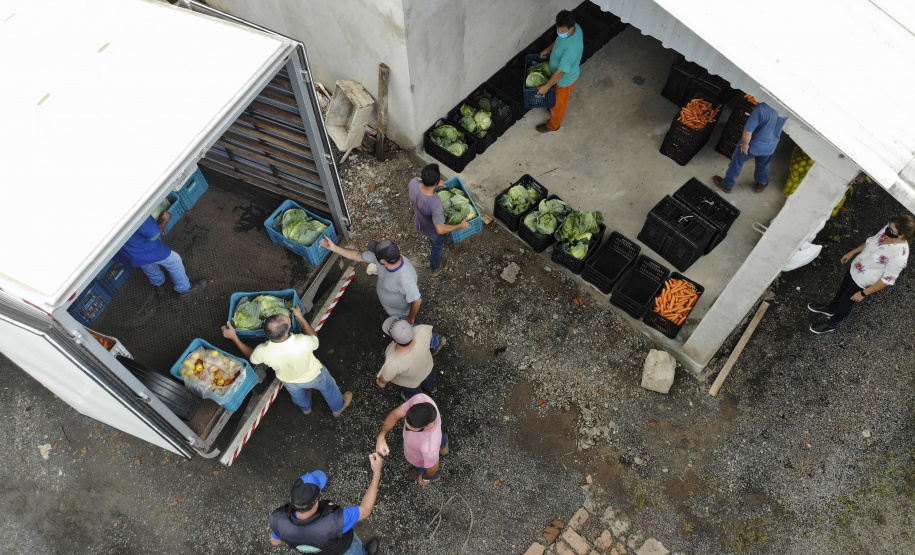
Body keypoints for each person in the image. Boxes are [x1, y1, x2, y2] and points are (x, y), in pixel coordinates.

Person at [319, 236, 446, 353]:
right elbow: (358, 255)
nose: (373, 254)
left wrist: (410, 318)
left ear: (383, 261)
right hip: (391, 308)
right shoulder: (388, 258)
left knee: (408, 330)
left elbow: (417, 301)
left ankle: (435, 341)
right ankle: (391, 316)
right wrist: (333, 247)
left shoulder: (405, 279)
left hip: (401, 313)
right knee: (398, 322)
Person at [221, 306, 353, 417]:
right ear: (286, 332)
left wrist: (234, 337)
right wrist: (300, 317)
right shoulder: (303, 341)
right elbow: (315, 339)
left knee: (298, 395)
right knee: (329, 387)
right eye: (288, 321)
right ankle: (338, 407)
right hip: (314, 376)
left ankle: (306, 408)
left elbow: (252, 357)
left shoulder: (263, 351)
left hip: (289, 381)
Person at [808, 216, 912, 334]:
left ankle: (832, 324)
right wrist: (852, 253)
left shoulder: (900, 256)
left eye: (892, 231)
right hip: (855, 267)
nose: (887, 231)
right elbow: (870, 242)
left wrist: (863, 293)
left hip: (863, 281)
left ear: (903, 235)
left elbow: (887, 280)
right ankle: (830, 309)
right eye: (889, 226)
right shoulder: (888, 230)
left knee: (845, 303)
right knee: (841, 290)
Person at [269, 456, 382, 555]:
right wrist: (376, 472)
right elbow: (365, 509)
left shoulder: (279, 520)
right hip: (346, 550)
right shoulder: (335, 521)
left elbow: (275, 542)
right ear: (317, 499)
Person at [116, 214, 207, 297]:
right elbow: (155, 235)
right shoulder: (133, 211)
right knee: (174, 261)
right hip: (144, 249)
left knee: (146, 264)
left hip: (127, 253)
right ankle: (184, 289)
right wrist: (165, 220)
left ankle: (159, 283)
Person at [408, 163, 470, 277]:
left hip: (419, 222)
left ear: (421, 175)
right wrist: (460, 226)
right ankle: (434, 268)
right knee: (437, 245)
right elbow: (440, 229)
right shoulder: (435, 203)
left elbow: (424, 186)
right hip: (432, 230)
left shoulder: (413, 183)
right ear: (437, 181)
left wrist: (435, 185)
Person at [713, 102, 788, 193]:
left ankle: (727, 185)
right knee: (763, 164)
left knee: (737, 163)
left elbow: (747, 132)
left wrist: (745, 144)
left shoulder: (761, 108)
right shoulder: (787, 108)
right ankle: (762, 183)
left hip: (753, 146)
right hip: (771, 146)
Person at [375, 394, 448, 485]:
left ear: (424, 426)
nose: (405, 421)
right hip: (436, 438)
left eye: (410, 426)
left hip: (421, 460)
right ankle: (444, 446)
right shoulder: (421, 399)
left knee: (428, 468)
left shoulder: (429, 448)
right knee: (441, 438)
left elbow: (433, 467)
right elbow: (395, 414)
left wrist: (425, 478)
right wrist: (381, 436)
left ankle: (435, 477)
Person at [535, 10, 584, 134]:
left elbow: (560, 73)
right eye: (558, 29)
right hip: (560, 74)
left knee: (559, 106)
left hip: (564, 81)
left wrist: (546, 87)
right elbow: (559, 40)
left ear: (571, 28)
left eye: (562, 30)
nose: (560, 32)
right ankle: (552, 106)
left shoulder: (571, 50)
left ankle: (553, 125)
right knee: (556, 99)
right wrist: (548, 49)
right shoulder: (575, 27)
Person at [376, 316, 439, 400]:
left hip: (411, 382)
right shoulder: (422, 331)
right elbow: (432, 339)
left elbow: (385, 378)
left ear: (394, 340)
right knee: (430, 379)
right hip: (427, 368)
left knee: (413, 391)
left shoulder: (392, 362)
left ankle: (418, 399)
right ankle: (432, 388)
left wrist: (380, 381)